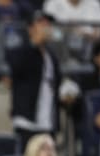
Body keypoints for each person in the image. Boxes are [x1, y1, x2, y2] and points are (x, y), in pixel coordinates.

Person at [6, 10, 62, 148]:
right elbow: (16, 68)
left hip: (48, 121)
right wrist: (34, 43)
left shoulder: (51, 56)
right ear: (30, 28)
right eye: (41, 23)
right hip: (27, 120)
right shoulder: (20, 49)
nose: (46, 27)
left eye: (48, 24)